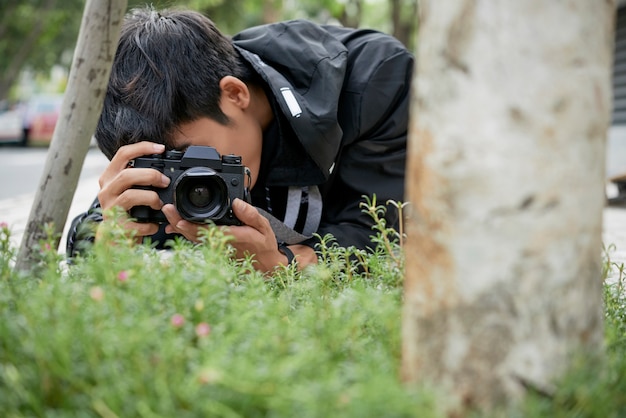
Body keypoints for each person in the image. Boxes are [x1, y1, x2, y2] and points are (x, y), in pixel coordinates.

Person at [67, 6, 413, 273]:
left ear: (234, 94)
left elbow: (381, 238)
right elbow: (92, 235)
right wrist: (99, 239)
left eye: (192, 160)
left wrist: (281, 264)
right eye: (161, 168)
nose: (181, 179)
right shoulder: (178, 116)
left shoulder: (375, 83)